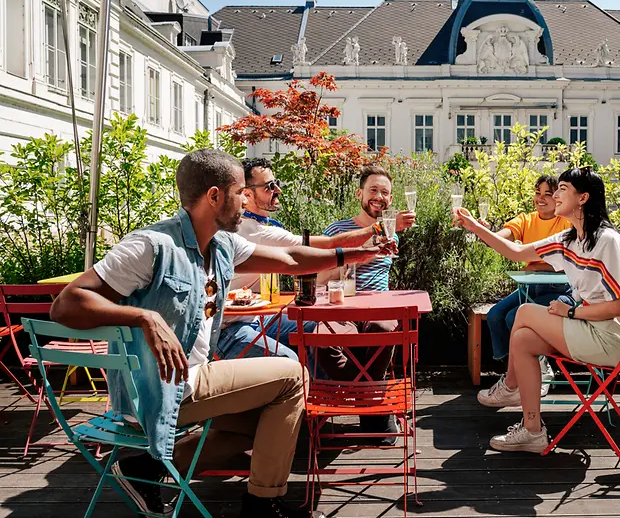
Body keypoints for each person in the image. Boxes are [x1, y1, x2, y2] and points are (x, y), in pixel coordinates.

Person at [49, 149, 390, 517]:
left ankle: (145, 469)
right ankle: (262, 504)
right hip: (158, 390)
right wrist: (144, 318)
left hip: (194, 382)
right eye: (240, 192)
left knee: (271, 417)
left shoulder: (223, 244)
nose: (245, 200)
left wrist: (350, 257)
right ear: (214, 196)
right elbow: (66, 305)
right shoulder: (151, 246)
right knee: (293, 376)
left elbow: (292, 258)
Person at [454, 166, 620, 453]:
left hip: (613, 337)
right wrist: (475, 227)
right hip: (589, 328)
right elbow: (515, 252)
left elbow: (616, 306)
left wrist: (572, 313)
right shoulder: (569, 240)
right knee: (523, 340)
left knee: (525, 312)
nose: (556, 193)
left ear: (583, 198)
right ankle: (532, 430)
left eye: (563, 188)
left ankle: (510, 387)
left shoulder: (606, 240)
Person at [217, 157, 415, 361]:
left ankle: (336, 389)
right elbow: (326, 247)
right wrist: (380, 230)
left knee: (318, 330)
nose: (278, 190)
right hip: (234, 325)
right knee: (299, 356)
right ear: (247, 194)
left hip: (260, 315)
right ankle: (318, 387)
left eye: (277, 184)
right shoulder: (254, 232)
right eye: (269, 186)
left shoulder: (261, 229)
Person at [314, 165, 404, 444]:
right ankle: (373, 403)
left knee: (382, 328)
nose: (379, 196)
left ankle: (365, 403)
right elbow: (318, 279)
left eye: (385, 192)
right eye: (373, 190)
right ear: (359, 194)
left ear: (391, 199)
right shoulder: (337, 230)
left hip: (379, 306)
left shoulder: (391, 232)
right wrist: (353, 260)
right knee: (324, 341)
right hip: (341, 303)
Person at [485, 174, 573, 398]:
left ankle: (541, 367)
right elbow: (503, 236)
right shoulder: (526, 220)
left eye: (548, 194)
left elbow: (564, 267)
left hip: (560, 290)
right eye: (538, 193)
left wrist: (536, 267)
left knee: (512, 318)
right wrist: (487, 233)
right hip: (529, 288)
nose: (541, 198)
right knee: (495, 316)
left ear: (558, 198)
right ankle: (515, 372)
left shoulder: (565, 222)